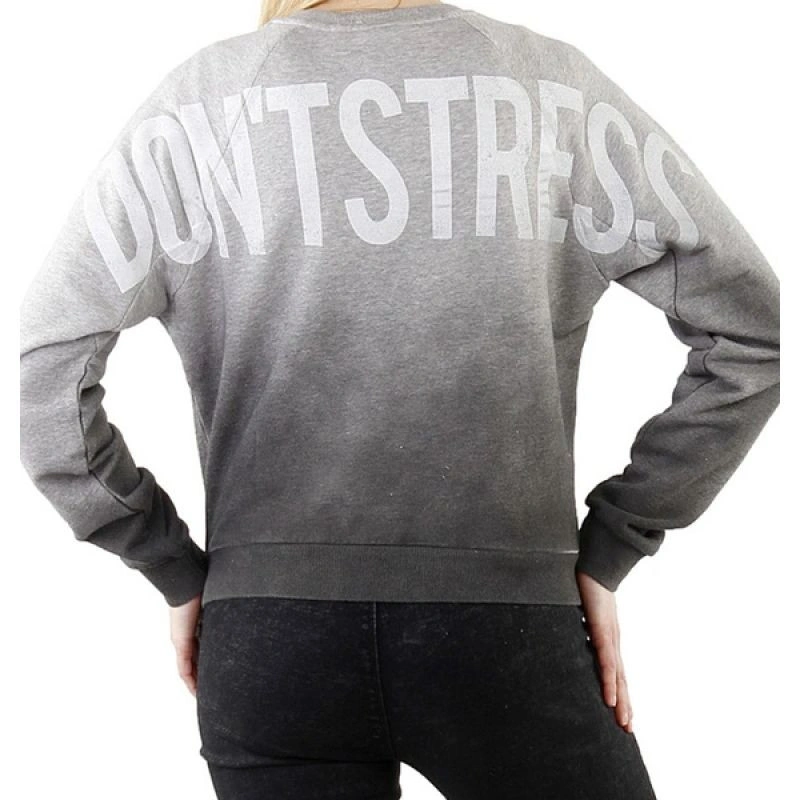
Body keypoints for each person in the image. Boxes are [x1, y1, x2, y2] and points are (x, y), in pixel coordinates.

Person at [18, 0, 780, 797]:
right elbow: (750, 333)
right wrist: (616, 540)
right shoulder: (546, 87)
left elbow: (46, 372)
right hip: (506, 630)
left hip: (268, 640)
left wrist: (171, 563)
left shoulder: (198, 107)